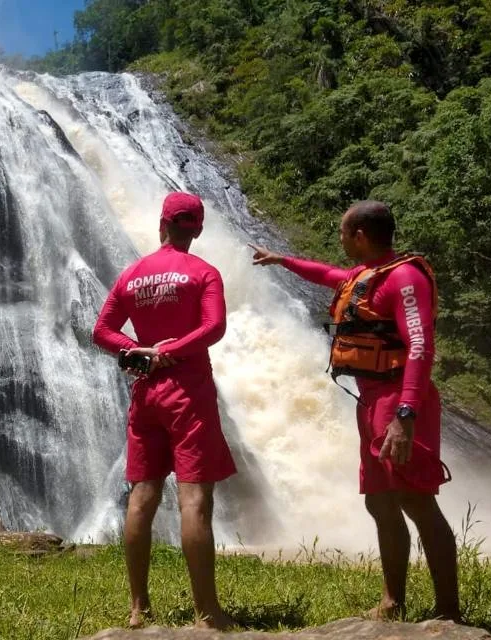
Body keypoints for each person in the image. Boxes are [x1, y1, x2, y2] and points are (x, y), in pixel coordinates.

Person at [249, 200, 459, 622]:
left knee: (416, 500)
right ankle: (392, 601)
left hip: (400, 398)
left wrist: (405, 413)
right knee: (380, 501)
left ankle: (449, 612)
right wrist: (282, 259)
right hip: (370, 398)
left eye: (343, 234)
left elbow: (420, 345)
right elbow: (329, 275)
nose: (341, 241)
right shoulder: (367, 275)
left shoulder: (404, 277)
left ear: (359, 235)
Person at [93, 191, 237, 630]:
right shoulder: (204, 273)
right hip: (187, 391)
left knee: (142, 495)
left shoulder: (132, 274)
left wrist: (137, 350)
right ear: (196, 228)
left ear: (162, 225)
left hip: (145, 393)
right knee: (195, 497)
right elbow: (214, 327)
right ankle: (207, 613)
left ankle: (139, 609)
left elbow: (101, 330)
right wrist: (172, 350)